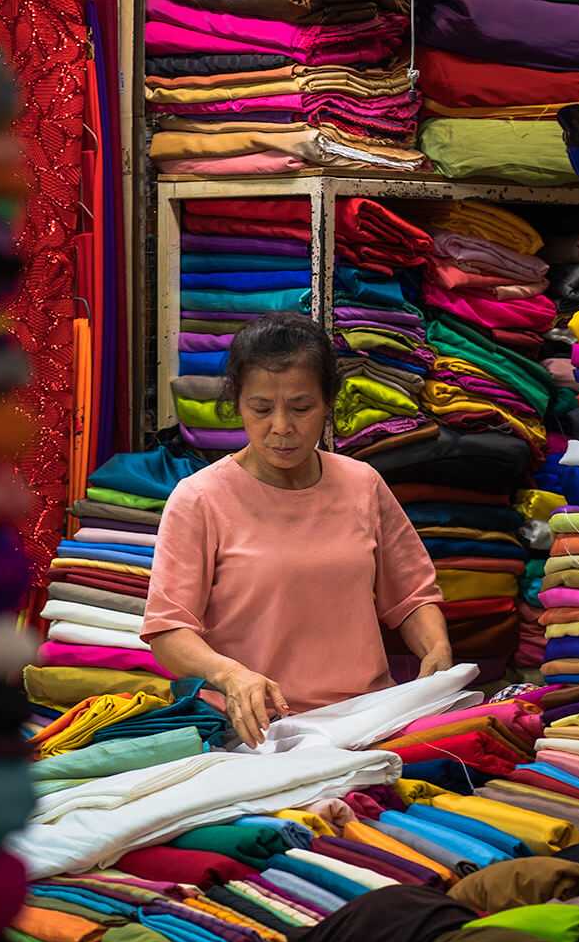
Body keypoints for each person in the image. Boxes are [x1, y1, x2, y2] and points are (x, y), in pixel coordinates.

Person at [142, 313, 452, 747]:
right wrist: (229, 674)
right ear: (238, 404)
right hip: (257, 732)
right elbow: (167, 631)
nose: (282, 426)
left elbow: (412, 596)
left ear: (328, 403)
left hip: (367, 719)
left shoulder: (363, 484)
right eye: (262, 408)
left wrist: (436, 652)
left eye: (301, 408)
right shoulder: (200, 499)